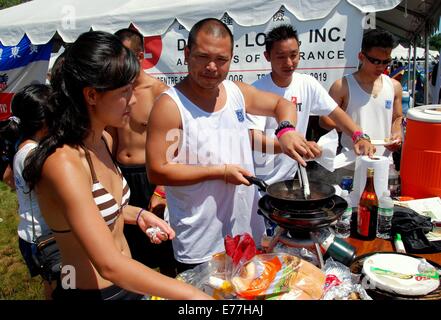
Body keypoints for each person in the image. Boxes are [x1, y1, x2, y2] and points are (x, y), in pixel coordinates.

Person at [22, 31, 212, 300]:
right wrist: (193, 295)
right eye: (125, 92)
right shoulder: (63, 162)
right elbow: (109, 265)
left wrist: (137, 215)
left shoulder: (103, 140)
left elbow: (101, 210)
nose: (133, 100)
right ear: (91, 95)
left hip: (127, 284)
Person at [146, 18, 313, 273]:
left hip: (244, 227)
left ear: (231, 58)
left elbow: (283, 105)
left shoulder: (236, 92)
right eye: (203, 57)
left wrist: (287, 130)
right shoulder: (170, 106)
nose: (212, 67)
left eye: (222, 60)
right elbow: (157, 170)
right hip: (200, 239)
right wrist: (220, 172)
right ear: (187, 54)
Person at [247, 24, 375, 188]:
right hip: (261, 179)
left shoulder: (307, 83)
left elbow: (336, 113)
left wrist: (358, 136)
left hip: (293, 175)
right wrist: (295, 147)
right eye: (280, 56)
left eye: (293, 55)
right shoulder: (257, 90)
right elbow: (255, 140)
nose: (288, 63)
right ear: (267, 56)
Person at [110, 28, 176, 277]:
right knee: (129, 245)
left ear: (139, 56)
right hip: (121, 175)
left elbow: (174, 147)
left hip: (151, 177)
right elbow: (110, 137)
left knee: (163, 242)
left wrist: (161, 189)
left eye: (124, 55)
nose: (119, 62)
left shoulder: (158, 92)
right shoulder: (114, 92)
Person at [0, 84, 59, 299]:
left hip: (30, 234)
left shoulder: (22, 148)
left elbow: (10, 180)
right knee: (61, 287)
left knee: (51, 284)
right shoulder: (36, 155)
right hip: (44, 239)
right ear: (45, 121)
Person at [320, 29, 403, 163]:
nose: (381, 66)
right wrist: (354, 133)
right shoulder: (342, 86)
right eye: (375, 61)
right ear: (361, 56)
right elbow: (324, 120)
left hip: (384, 161)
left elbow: (397, 117)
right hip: (351, 162)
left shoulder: (394, 86)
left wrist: (397, 135)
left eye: (386, 61)